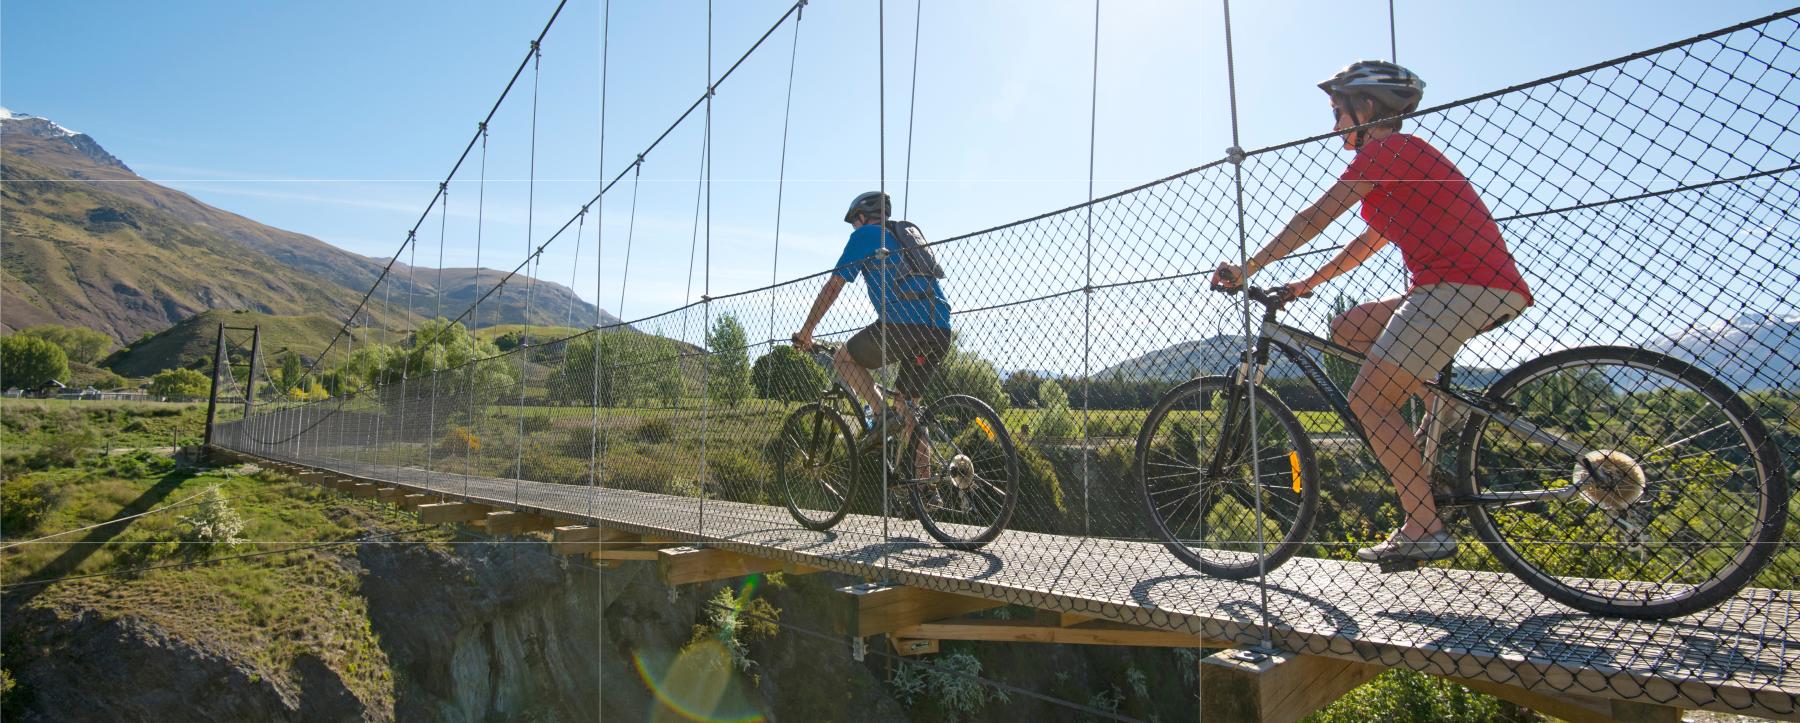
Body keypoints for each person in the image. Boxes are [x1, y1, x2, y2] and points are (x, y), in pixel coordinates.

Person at [1211, 60, 1532, 566]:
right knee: (1349, 326)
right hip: (1461, 287)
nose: (1333, 123)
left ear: (1365, 109)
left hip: (1458, 287)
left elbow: (1317, 215)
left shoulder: (1388, 150)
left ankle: (1424, 527)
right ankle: (1434, 397)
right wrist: (1306, 284)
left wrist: (1249, 266)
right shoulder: (1398, 165)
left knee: (1370, 401)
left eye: (1337, 111)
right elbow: (1365, 245)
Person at [794, 191, 953, 479]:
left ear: (862, 217)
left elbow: (834, 286)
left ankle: (880, 414)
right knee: (908, 408)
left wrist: (807, 332)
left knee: (843, 358)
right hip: (940, 328)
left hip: (902, 325)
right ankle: (927, 486)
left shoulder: (866, 235)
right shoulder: (904, 236)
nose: (854, 228)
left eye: (854, 222)